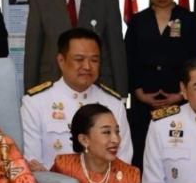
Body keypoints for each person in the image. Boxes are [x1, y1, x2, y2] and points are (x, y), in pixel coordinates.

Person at [125, 0, 196, 172]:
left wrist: (181, 94)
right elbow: (129, 59)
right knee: (144, 152)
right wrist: (138, 92)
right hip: (144, 96)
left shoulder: (188, 19)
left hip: (179, 96)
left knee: (178, 150)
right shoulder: (138, 21)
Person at [22, 28, 132, 171]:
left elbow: (124, 162)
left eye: (94, 60)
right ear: (61, 61)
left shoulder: (114, 104)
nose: (87, 66)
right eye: (79, 59)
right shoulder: (35, 103)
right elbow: (33, 164)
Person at [23, 0, 127, 96]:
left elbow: (116, 50)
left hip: (97, 86)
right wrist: (29, 94)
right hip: (52, 85)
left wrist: (121, 94)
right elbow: (33, 51)